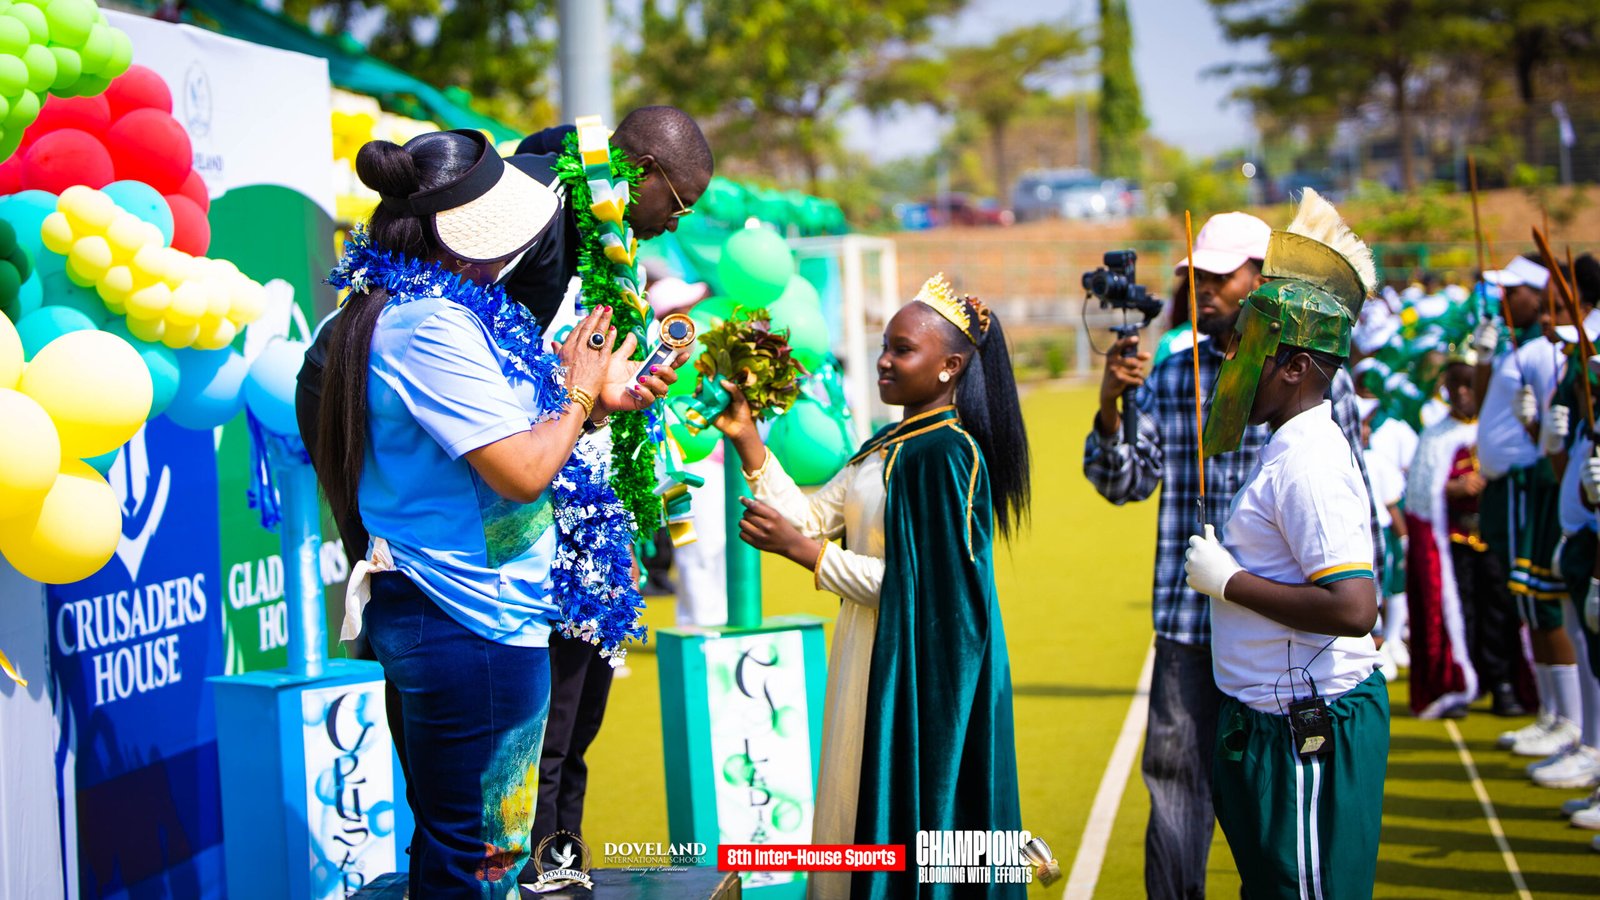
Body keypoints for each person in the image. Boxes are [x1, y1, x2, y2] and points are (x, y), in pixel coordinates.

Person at [310, 130, 679, 895]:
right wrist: (578, 386)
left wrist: (595, 405)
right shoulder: (430, 326)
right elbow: (521, 473)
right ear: (463, 240)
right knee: (480, 854)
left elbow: (509, 444)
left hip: (464, 615)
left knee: (468, 844)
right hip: (467, 621)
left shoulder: (431, 311)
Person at [1081, 210, 1381, 900]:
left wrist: (1373, 604)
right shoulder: (1172, 373)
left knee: (1267, 809)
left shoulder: (1307, 378)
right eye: (1197, 277)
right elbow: (1125, 482)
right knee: (1176, 789)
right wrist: (1111, 408)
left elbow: (1353, 510)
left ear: (1262, 280)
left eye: (1221, 276)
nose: (1205, 289)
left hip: (1284, 639)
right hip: (1188, 624)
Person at [715, 273, 1031, 898]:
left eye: (902, 349)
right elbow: (813, 517)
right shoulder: (888, 444)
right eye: (885, 345)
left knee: (911, 818)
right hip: (868, 651)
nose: (884, 360)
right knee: (849, 799)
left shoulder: (949, 455)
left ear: (949, 367)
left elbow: (935, 596)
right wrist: (748, 439)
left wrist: (807, 555)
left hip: (916, 674)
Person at [1183, 189, 1388, 898]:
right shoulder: (1284, 446)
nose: (1231, 360)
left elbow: (1354, 608)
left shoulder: (1307, 460)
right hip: (1275, 719)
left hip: (1307, 723)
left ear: (1296, 366)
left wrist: (1229, 583)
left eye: (1250, 349)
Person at [1475, 255, 1586, 758]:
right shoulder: (1518, 345)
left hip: (1530, 485)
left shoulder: (1546, 352)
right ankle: (1552, 712)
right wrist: (1483, 359)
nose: (1505, 299)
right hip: (1510, 485)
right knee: (1526, 599)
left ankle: (1569, 719)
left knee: (1539, 599)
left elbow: (1554, 435)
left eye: (1515, 290)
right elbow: (1488, 409)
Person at [1404, 347, 1499, 718]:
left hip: (1496, 539)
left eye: (1469, 384)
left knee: (1499, 611)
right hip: (1453, 542)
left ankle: (1502, 683)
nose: (1461, 392)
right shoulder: (1436, 435)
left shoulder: (1499, 428)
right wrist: (1451, 488)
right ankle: (1458, 680)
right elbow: (1421, 493)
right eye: (1455, 384)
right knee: (1461, 611)